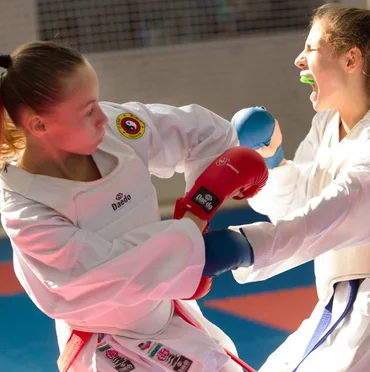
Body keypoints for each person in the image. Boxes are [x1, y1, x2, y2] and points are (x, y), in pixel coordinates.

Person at [0, 41, 268, 372]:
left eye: (96, 102)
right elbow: (99, 271)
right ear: (39, 125)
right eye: (87, 111)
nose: (102, 116)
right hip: (109, 348)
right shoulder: (25, 206)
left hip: (168, 316)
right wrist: (191, 238)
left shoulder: (113, 126)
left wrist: (199, 206)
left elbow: (207, 133)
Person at [218, 3, 370, 372]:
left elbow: (343, 204)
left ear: (352, 59)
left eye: (311, 48)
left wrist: (246, 247)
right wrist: (275, 163)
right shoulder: (327, 127)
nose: (299, 61)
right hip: (337, 302)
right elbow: (298, 206)